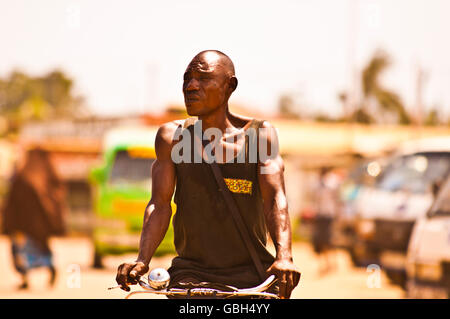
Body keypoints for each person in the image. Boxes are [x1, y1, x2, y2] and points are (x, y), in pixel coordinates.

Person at [115, 50, 301, 298]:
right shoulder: (172, 138)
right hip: (190, 276)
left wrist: (284, 257)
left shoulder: (260, 136)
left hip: (251, 277)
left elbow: (275, 199)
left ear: (229, 85)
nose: (191, 86)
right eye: (187, 79)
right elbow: (159, 204)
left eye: (203, 78)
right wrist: (142, 259)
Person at [2, 148, 66, 289]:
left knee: (21, 253)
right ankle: (49, 268)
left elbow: (12, 203)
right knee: (40, 250)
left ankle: (25, 279)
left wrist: (9, 224)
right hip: (42, 227)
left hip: (22, 226)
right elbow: (56, 200)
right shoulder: (49, 176)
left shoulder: (22, 176)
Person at [311, 167, 338, 276]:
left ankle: (331, 263)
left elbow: (336, 200)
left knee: (329, 240)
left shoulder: (331, 185)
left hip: (328, 215)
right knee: (321, 241)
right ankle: (325, 264)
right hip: (320, 215)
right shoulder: (317, 186)